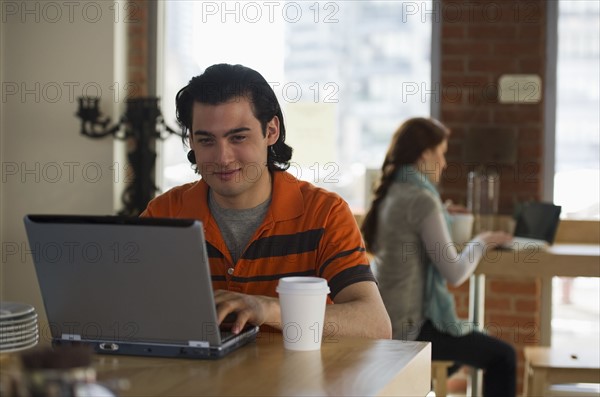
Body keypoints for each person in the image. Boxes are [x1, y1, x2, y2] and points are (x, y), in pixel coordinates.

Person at [141, 63, 391, 339]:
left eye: (238, 137)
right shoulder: (164, 214)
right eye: (206, 141)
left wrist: (269, 310)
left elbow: (375, 325)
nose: (222, 157)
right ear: (192, 141)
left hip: (302, 380)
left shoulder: (324, 214)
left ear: (271, 131)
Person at [361, 117, 516, 396]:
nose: (444, 163)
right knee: (503, 357)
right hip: (408, 330)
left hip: (384, 319)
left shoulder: (393, 190)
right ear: (424, 155)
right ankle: (414, 382)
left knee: (458, 353)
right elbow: (455, 273)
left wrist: (441, 212)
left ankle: (419, 385)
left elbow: (411, 227)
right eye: (441, 153)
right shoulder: (421, 199)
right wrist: (480, 242)